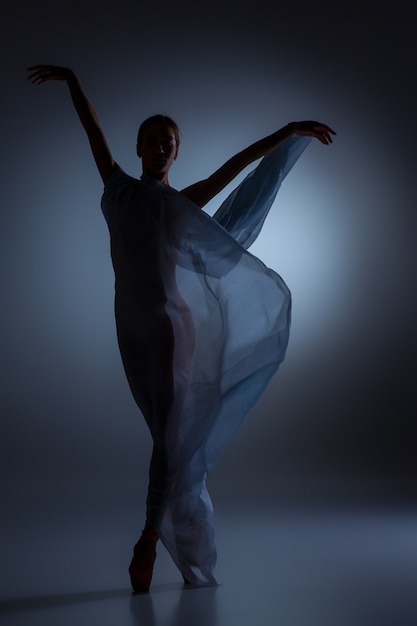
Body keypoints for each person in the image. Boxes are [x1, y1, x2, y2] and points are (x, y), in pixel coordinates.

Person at [27, 64, 335, 591]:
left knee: (169, 439)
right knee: (165, 437)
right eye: (152, 139)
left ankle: (149, 536)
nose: (160, 146)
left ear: (175, 151)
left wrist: (286, 133)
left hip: (173, 328)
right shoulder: (119, 190)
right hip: (132, 329)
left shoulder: (182, 202)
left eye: (168, 141)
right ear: (140, 148)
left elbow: (238, 168)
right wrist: (73, 80)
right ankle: (173, 526)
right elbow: (92, 132)